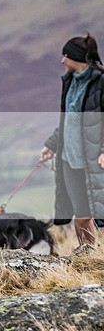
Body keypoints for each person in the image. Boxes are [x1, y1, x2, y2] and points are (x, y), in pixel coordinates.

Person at [40, 33, 104, 247]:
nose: (62, 61)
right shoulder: (69, 82)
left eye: (65, 56)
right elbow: (68, 120)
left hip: (94, 159)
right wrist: (51, 144)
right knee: (82, 214)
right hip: (70, 160)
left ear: (76, 58)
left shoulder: (100, 83)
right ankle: (89, 255)